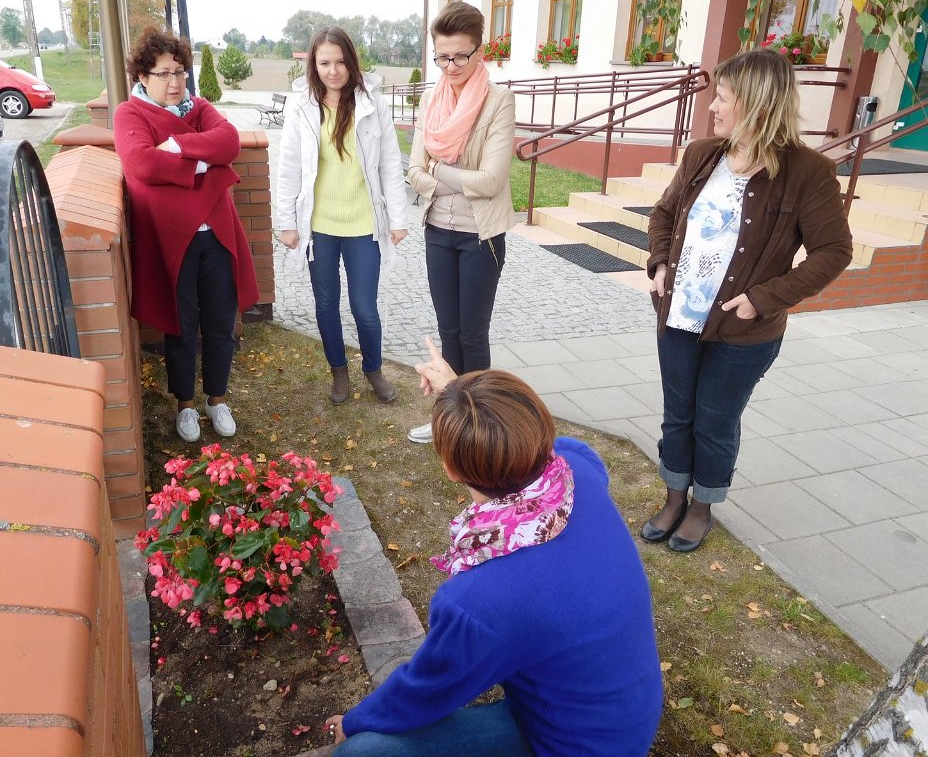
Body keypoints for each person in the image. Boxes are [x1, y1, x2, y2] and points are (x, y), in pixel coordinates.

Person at [325, 337, 664, 757]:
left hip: (572, 745)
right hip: (623, 712)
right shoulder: (577, 467)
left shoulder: (479, 601)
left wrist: (355, 722)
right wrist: (459, 393)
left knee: (360, 752)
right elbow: (556, 451)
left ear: (449, 469)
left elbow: (427, 688)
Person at [642, 48, 852, 553]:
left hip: (743, 331)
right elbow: (664, 215)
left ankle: (701, 506)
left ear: (757, 104)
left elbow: (834, 251)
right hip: (680, 316)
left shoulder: (808, 172)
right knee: (678, 414)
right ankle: (674, 495)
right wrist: (661, 264)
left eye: (725, 98)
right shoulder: (703, 155)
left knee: (715, 419)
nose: (713, 107)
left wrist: (763, 299)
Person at [114, 26, 259, 443]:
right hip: (172, 240)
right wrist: (204, 164)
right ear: (143, 77)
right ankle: (186, 405)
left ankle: (217, 399)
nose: (175, 82)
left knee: (220, 321)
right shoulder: (131, 114)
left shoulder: (198, 106)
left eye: (180, 71)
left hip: (216, 234)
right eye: (163, 73)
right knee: (181, 325)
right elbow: (141, 165)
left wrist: (177, 150)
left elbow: (229, 143)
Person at [276, 26, 408, 405]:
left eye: (340, 62)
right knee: (325, 304)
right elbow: (288, 168)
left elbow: (388, 166)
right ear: (314, 66)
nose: (333, 70)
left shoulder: (372, 103)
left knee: (365, 307)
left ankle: (373, 369)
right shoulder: (301, 105)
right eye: (324, 63)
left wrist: (397, 218)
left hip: (364, 223)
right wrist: (287, 222)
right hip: (319, 226)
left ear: (351, 61)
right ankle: (338, 371)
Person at [405, 1, 517, 445]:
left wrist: (438, 173)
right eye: (442, 56)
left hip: (480, 237)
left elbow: (490, 181)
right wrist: (440, 176)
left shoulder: (498, 101)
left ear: (479, 52)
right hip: (438, 232)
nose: (450, 66)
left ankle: (482, 428)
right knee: (448, 330)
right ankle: (449, 421)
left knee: (473, 334)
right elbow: (412, 170)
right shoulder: (431, 99)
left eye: (460, 56)